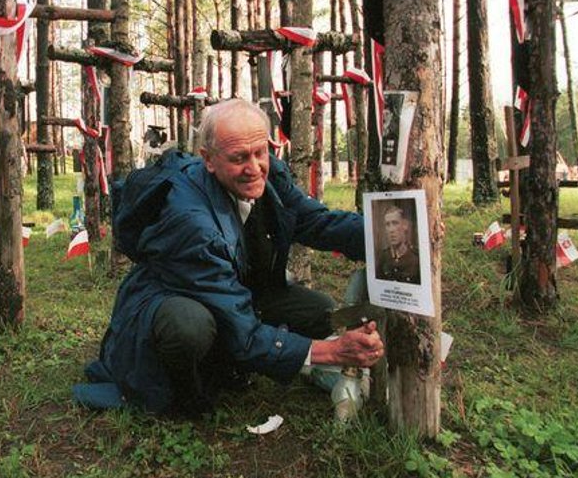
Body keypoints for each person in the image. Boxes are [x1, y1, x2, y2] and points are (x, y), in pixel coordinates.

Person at [76, 98, 384, 415]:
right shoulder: (191, 223)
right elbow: (244, 332)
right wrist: (332, 352)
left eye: (260, 153)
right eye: (239, 158)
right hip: (172, 302)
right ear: (208, 160)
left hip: (229, 292)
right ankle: (185, 395)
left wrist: (387, 232)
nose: (254, 168)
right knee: (189, 328)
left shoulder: (271, 175)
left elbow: (316, 222)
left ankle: (233, 360)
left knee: (319, 311)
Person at [375, 205, 421, 284]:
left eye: (395, 223)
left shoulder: (416, 258)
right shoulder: (382, 257)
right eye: (387, 224)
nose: (391, 230)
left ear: (405, 225)